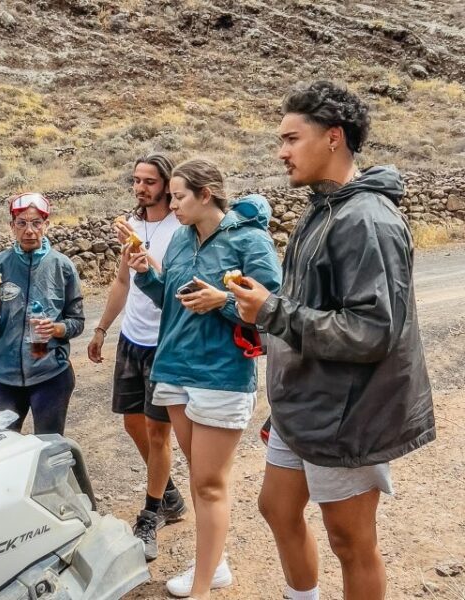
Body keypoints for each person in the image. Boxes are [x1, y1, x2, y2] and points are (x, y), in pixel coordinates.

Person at [230, 81, 435, 600]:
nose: (281, 151)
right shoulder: (324, 206)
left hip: (348, 414)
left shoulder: (367, 219)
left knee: (350, 541)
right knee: (276, 507)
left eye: (291, 138)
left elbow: (373, 331)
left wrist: (273, 311)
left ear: (333, 139)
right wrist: (263, 315)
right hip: (305, 402)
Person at [129, 158, 281, 599]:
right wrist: (146, 274)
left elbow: (275, 308)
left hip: (221, 374)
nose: (170, 203)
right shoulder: (179, 238)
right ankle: (215, 564)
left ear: (205, 195)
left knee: (211, 485)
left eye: (178, 196)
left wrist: (224, 302)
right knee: (200, 477)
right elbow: (169, 299)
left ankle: (201, 588)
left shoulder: (249, 241)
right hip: (174, 368)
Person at [87, 153, 186, 561]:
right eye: (136, 181)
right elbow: (123, 281)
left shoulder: (181, 227)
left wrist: (143, 254)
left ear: (165, 185)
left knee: (159, 432)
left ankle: (149, 515)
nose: (140, 188)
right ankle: (170, 494)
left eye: (148, 181)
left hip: (165, 341)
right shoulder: (135, 225)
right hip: (132, 339)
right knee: (132, 424)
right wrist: (101, 328)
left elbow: (175, 282)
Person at [0, 192, 84, 435]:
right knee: (1, 447)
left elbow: (77, 321)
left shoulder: (62, 266)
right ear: (12, 226)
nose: (30, 230)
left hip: (51, 376)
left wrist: (57, 329)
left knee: (48, 449)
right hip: (4, 378)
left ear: (46, 224)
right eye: (22, 223)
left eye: (36, 223)